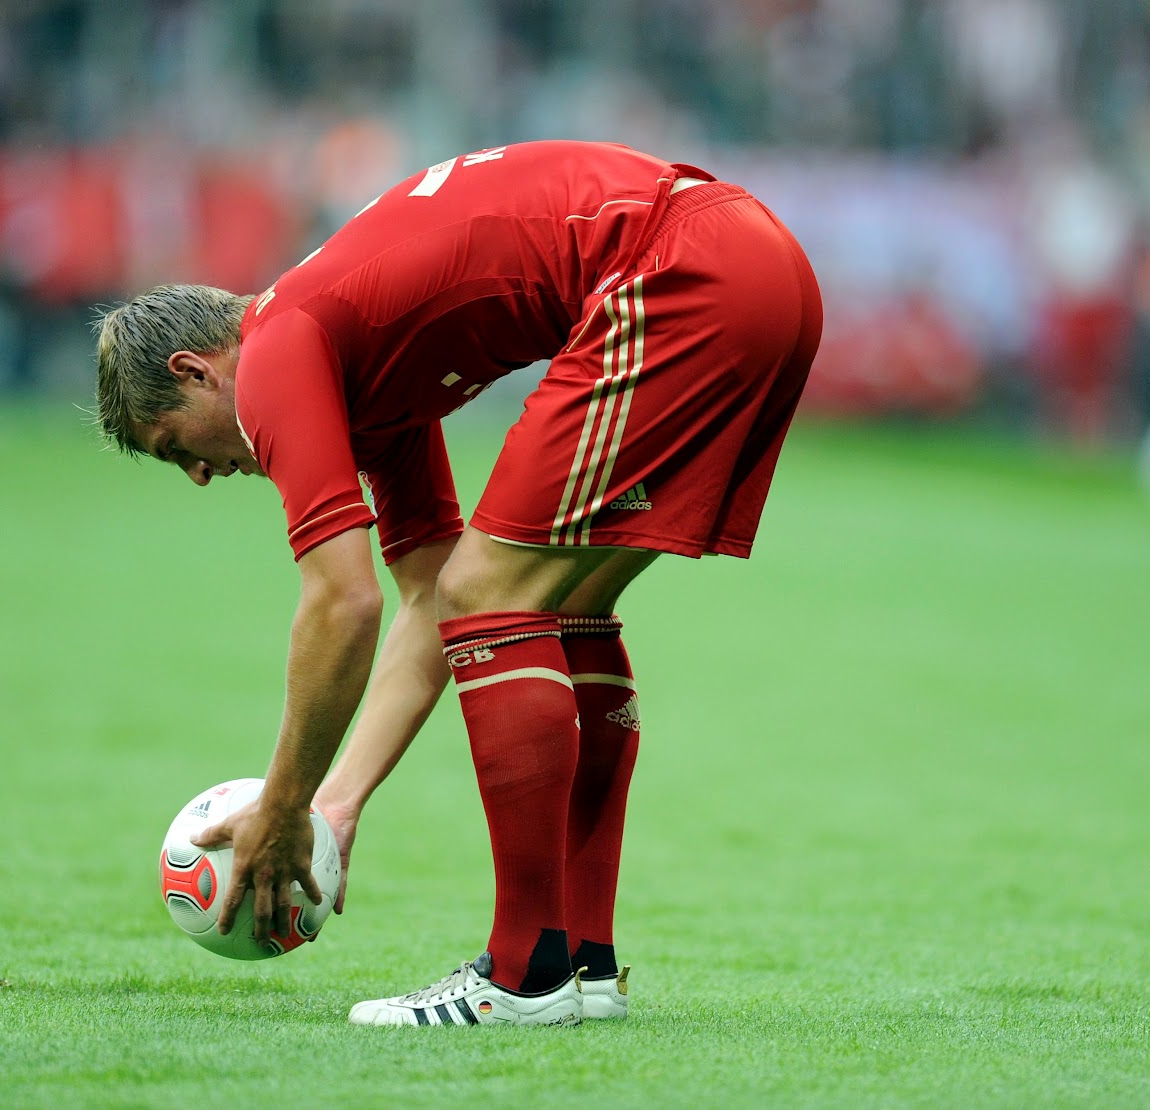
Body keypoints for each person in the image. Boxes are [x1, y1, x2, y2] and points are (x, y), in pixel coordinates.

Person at [94, 140, 821, 1027]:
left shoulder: (277, 349)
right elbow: (424, 599)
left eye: (178, 447)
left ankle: (522, 977)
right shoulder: (352, 369)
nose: (203, 476)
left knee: (494, 591)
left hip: (679, 270)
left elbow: (344, 602)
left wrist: (280, 807)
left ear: (194, 371)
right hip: (760, 263)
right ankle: (584, 966)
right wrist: (334, 805)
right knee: (556, 606)